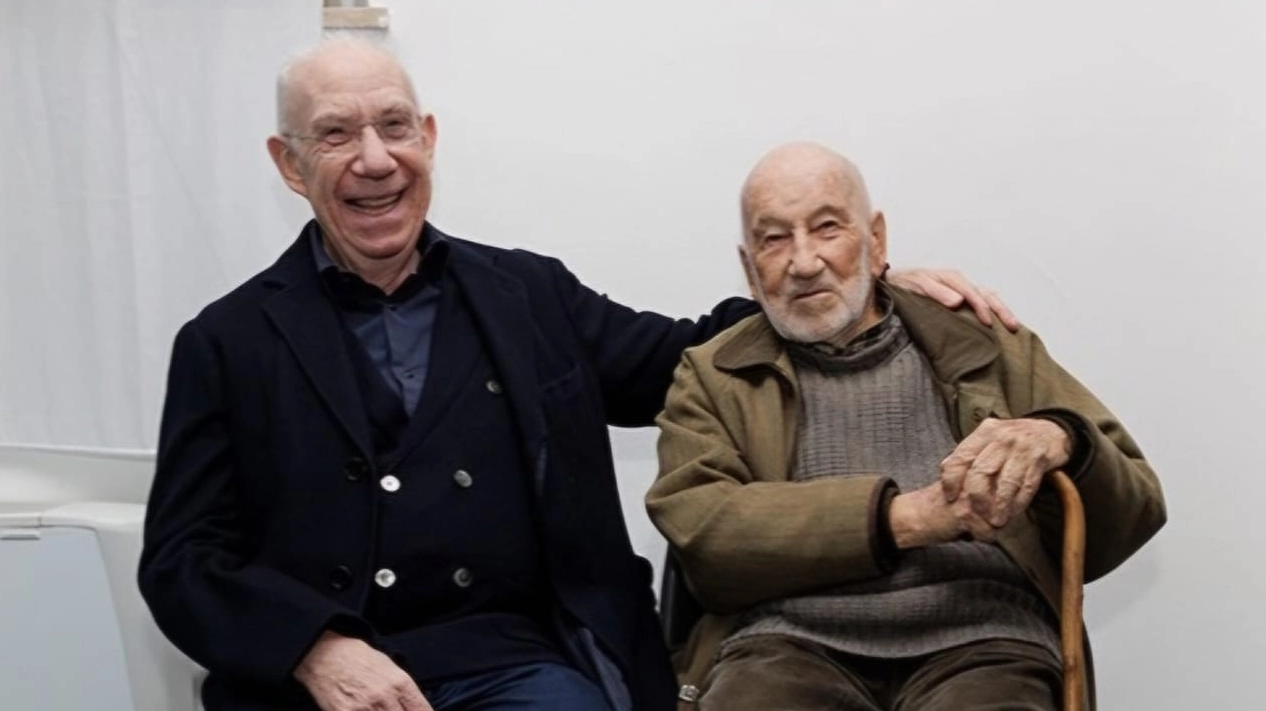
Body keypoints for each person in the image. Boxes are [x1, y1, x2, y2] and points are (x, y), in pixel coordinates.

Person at [138, 40, 1016, 711]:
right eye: (335, 135)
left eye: (394, 126)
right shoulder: (225, 342)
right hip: (327, 679)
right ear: (289, 164)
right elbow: (181, 560)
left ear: (429, 139)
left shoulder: (528, 294)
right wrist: (315, 647)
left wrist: (852, 276)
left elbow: (687, 355)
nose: (375, 158)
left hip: (520, 664)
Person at [647, 142, 1166, 711]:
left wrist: (1061, 437)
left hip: (985, 640)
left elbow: (1135, 509)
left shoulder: (983, 338)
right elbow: (707, 535)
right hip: (786, 644)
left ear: (876, 241)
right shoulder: (711, 374)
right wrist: (907, 517)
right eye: (774, 239)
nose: (803, 261)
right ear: (749, 269)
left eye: (827, 228)